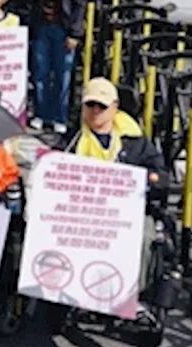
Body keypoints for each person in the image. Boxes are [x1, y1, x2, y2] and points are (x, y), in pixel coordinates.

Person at [67, 77, 168, 290]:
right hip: (85, 214)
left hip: (129, 213)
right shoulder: (71, 142)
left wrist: (146, 180)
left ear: (115, 108)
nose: (95, 110)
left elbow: (162, 177)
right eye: (90, 105)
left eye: (101, 106)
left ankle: (132, 295)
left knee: (142, 239)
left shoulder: (136, 141)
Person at [19, 0, 90, 133]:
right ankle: (42, 113)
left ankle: (60, 116)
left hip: (63, 29)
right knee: (40, 72)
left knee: (62, 74)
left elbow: (79, 5)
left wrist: (75, 34)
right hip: (42, 27)